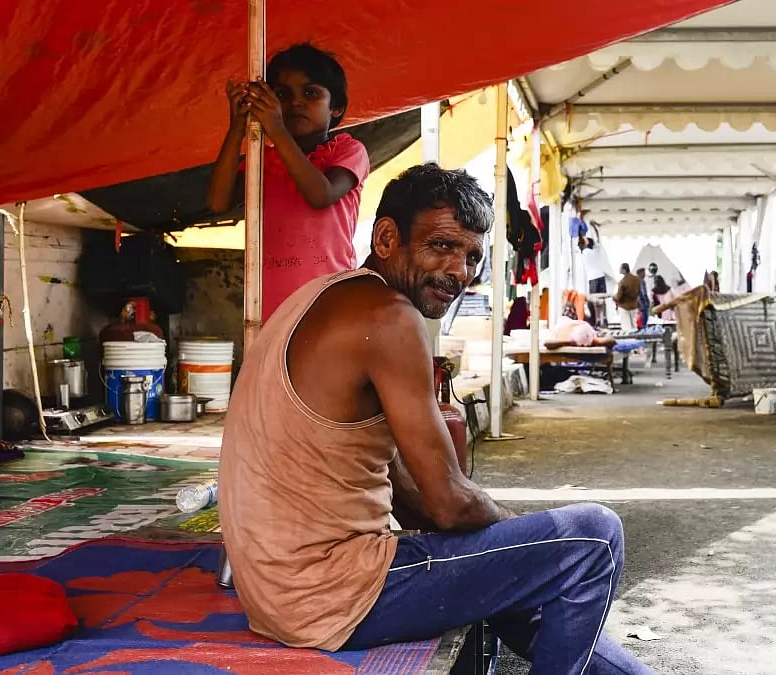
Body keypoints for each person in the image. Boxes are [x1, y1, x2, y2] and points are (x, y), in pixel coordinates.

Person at [218, 164, 653, 675]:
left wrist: (514, 551)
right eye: (441, 246)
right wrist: (528, 536)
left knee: (522, 579)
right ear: (386, 238)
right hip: (332, 597)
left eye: (471, 255)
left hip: (276, 595)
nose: (458, 271)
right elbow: (447, 503)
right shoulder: (389, 317)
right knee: (593, 537)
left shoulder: (321, 296)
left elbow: (398, 482)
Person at [207, 42, 370, 323]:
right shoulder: (263, 160)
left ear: (337, 107)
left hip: (328, 303)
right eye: (282, 94)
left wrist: (276, 128)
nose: (296, 102)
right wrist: (237, 129)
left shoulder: (348, 151)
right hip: (268, 308)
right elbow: (218, 202)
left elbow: (321, 195)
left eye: (310, 93)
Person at [613, 263, 642, 331]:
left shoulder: (622, 282)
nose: (619, 270)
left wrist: (614, 297)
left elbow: (619, 297)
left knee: (626, 328)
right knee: (634, 327)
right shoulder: (637, 279)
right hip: (634, 305)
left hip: (624, 307)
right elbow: (639, 291)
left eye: (620, 268)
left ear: (624, 270)